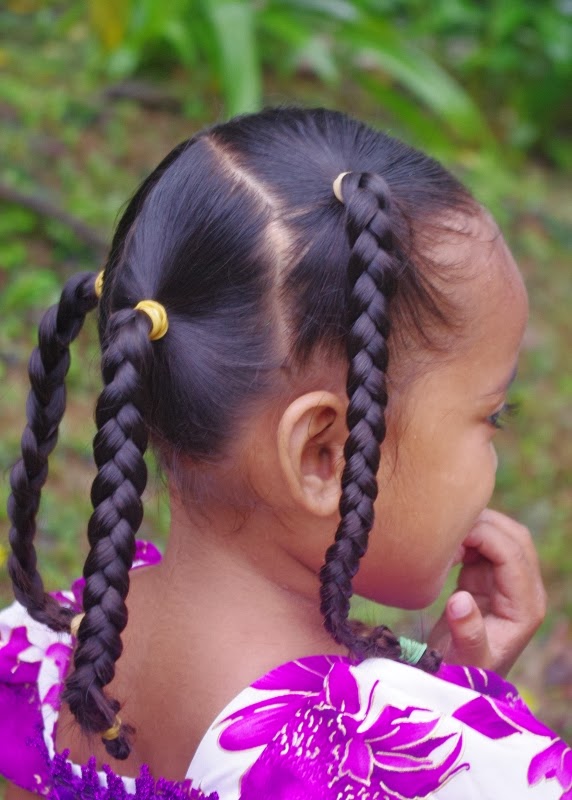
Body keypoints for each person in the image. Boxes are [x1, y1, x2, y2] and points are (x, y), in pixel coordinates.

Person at [0, 107, 569, 800]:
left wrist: (439, 694)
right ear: (324, 455)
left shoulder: (43, 650)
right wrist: (455, 733)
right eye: (493, 416)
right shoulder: (460, 776)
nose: (496, 455)